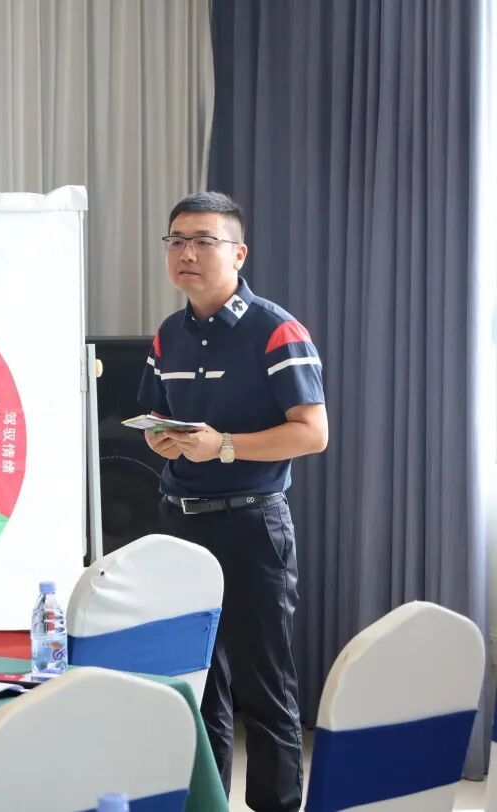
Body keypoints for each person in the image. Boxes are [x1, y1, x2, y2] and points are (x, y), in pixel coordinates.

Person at [137, 192, 327, 811]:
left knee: (264, 687)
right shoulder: (168, 335)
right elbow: (156, 416)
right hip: (180, 523)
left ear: (238, 254)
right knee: (200, 686)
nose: (186, 253)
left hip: (251, 523)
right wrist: (161, 436)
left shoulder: (275, 330)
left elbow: (312, 433)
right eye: (176, 241)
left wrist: (222, 447)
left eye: (203, 241)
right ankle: (208, 803)